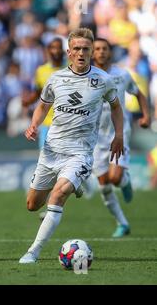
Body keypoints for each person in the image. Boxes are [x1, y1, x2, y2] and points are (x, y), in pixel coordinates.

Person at [19, 28, 124, 264]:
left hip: (80, 152)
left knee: (58, 194)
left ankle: (33, 251)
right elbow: (43, 105)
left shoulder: (102, 80)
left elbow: (116, 107)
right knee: (32, 205)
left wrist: (119, 136)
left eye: (86, 49)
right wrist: (34, 124)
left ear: (91, 52)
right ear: (69, 52)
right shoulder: (55, 79)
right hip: (51, 151)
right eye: (76, 48)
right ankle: (76, 184)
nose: (81, 53)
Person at [91, 38, 150, 237]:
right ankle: (122, 223)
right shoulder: (86, 77)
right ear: (92, 53)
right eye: (97, 49)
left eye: (104, 49)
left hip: (119, 132)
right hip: (96, 138)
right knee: (104, 185)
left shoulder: (122, 74)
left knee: (115, 178)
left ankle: (124, 179)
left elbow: (139, 94)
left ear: (110, 52)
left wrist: (146, 115)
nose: (100, 52)